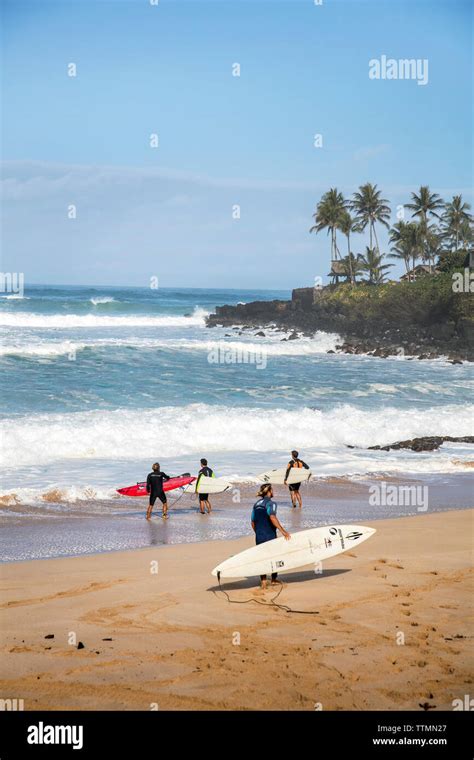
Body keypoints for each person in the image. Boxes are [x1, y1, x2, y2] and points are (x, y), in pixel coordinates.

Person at [251, 483, 290, 589]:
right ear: (269, 491)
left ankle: (263, 581)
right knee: (274, 556)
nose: (273, 492)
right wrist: (283, 531)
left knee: (262, 557)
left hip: (259, 535)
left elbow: (253, 522)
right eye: (272, 490)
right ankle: (273, 579)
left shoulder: (256, 504)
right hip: (269, 535)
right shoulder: (271, 503)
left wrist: (258, 532)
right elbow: (272, 517)